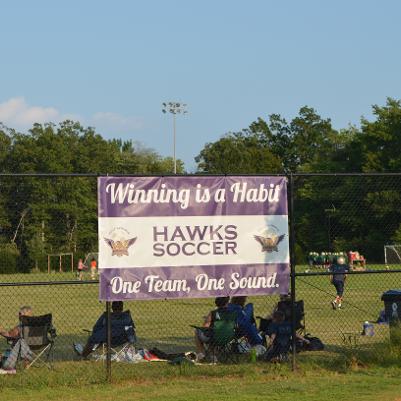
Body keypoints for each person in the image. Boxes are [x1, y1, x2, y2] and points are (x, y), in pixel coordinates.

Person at [194, 296, 230, 361]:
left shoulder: (213, 313)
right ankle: (213, 356)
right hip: (228, 337)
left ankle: (201, 354)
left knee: (198, 330)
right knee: (213, 333)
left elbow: (205, 327)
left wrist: (207, 320)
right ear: (227, 302)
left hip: (215, 337)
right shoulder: (232, 313)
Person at [0, 306, 34, 373]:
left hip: (17, 353)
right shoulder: (37, 325)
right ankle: (26, 365)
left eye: (20, 314)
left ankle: (8, 369)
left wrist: (1, 331)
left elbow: (9, 335)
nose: (19, 316)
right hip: (35, 348)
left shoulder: (20, 327)